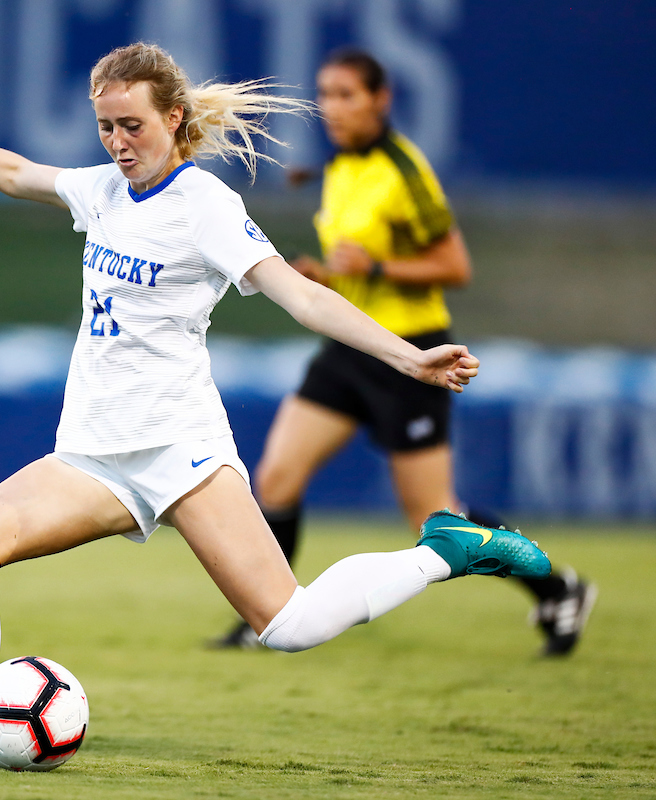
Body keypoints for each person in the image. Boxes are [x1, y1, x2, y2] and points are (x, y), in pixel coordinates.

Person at [0, 43, 551, 768]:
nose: (117, 142)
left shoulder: (204, 205)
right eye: (105, 126)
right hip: (94, 454)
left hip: (180, 450)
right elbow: (13, 172)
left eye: (131, 125)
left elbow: (301, 296)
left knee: (289, 625)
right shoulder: (104, 191)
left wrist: (407, 354)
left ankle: (444, 551)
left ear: (173, 118)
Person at [212, 49, 595, 658]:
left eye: (346, 95)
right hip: (350, 348)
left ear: (380, 100)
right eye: (325, 94)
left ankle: (558, 586)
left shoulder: (404, 170)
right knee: (278, 478)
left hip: (412, 356)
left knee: (436, 518)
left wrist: (381, 266)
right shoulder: (341, 167)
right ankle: (266, 614)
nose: (331, 108)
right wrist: (328, 277)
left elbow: (455, 266)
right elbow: (355, 270)